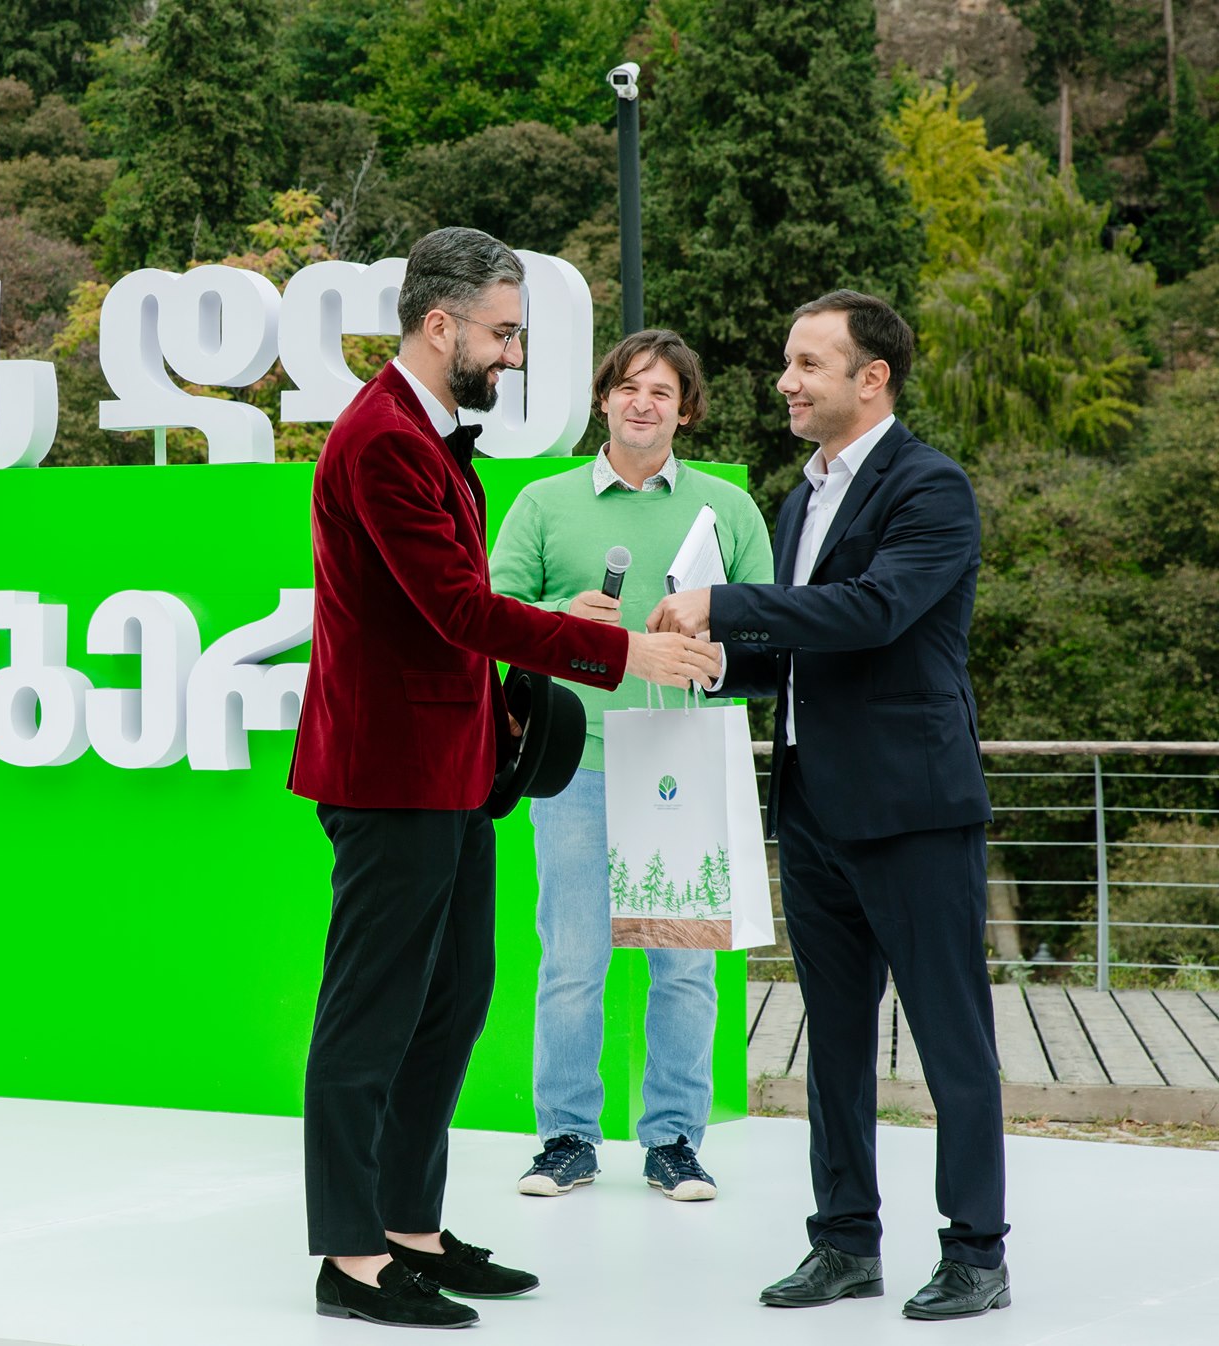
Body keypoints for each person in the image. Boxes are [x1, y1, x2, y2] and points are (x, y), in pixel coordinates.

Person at [289, 227, 723, 1330]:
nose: (514, 354)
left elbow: (447, 612)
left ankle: (408, 1228)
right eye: (503, 331)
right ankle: (349, 1258)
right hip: (389, 772)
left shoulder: (426, 437)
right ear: (439, 325)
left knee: (450, 1002)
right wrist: (618, 649)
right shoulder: (381, 439)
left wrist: (541, 650)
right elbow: (455, 609)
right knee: (370, 1016)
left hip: (451, 768)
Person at [647, 291, 1009, 1321]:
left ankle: (976, 1253)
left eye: (808, 363)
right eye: (787, 362)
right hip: (810, 808)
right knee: (834, 1044)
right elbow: (796, 650)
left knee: (952, 1041)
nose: (785, 382)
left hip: (913, 809)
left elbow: (873, 611)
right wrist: (717, 660)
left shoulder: (929, 486)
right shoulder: (796, 498)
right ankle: (845, 1241)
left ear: (872, 378)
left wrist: (723, 603)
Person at [488, 329, 772, 1205]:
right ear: (603, 399)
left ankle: (675, 1142)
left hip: (684, 765)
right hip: (576, 762)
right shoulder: (543, 502)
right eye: (629, 387)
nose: (643, 403)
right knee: (573, 963)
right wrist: (558, 618)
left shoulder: (728, 508)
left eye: (662, 392)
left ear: (686, 411)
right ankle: (567, 1138)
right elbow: (487, 616)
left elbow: (770, 635)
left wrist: (717, 652)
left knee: (683, 968)